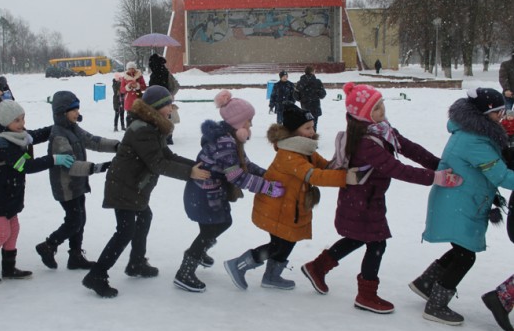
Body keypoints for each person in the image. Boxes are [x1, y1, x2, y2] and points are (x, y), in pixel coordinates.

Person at [301, 82, 461, 314]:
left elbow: (410, 148)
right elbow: (396, 168)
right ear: (363, 114)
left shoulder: (382, 130)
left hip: (368, 198)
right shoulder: (366, 142)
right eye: (375, 108)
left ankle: (318, 267)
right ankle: (366, 294)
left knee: (357, 238)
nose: (381, 111)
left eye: (381, 104)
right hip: (361, 200)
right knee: (376, 243)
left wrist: (439, 165)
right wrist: (436, 177)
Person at [82, 86, 210, 298]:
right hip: (124, 186)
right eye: (169, 104)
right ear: (158, 107)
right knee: (125, 231)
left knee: (144, 217)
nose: (172, 108)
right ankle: (97, 275)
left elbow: (167, 155)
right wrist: (190, 173)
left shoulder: (153, 127)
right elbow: (158, 163)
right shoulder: (142, 130)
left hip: (134, 186)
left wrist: (197, 164)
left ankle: (136, 263)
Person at [224, 103, 360, 292]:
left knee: (288, 241)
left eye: (312, 127)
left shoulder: (306, 150)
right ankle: (239, 264)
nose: (312, 131)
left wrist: (340, 164)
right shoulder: (289, 155)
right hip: (277, 207)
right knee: (278, 246)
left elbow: (323, 167)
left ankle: (271, 276)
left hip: (290, 207)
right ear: (294, 131)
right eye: (307, 128)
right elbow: (314, 175)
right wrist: (345, 178)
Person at [411, 88, 514, 326]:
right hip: (459, 203)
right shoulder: (473, 141)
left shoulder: (473, 133)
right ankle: (436, 305)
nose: (501, 117)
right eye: (498, 113)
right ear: (485, 113)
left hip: (460, 200)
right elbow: (499, 175)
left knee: (461, 250)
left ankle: (425, 284)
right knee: (465, 256)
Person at [174, 90, 285, 293]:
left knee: (210, 228)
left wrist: (268, 175)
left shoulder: (230, 138)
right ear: (237, 122)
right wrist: (267, 188)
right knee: (216, 226)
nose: (250, 125)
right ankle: (185, 270)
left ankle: (197, 252)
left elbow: (246, 165)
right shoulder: (225, 142)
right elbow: (237, 177)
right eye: (248, 121)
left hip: (206, 192)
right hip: (204, 194)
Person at [0, 97, 67, 286]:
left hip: (9, 193)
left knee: (14, 229)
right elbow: (25, 166)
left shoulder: (16, 136)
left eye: (23, 119)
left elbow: (34, 135)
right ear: (4, 121)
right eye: (17, 120)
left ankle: (9, 267)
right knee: (2, 233)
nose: (22, 124)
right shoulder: (2, 144)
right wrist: (53, 159)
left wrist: (56, 127)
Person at [35, 91, 120, 271]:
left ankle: (75, 256)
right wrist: (98, 167)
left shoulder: (73, 128)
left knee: (80, 219)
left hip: (78, 185)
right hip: (66, 186)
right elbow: (70, 166)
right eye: (73, 110)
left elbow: (94, 141)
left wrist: (117, 146)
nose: (77, 112)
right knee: (74, 221)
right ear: (62, 112)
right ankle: (48, 245)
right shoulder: (59, 135)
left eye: (77, 109)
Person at [148, 53, 180, 144]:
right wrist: (170, 94)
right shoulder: (165, 72)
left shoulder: (155, 74)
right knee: (167, 117)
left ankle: (162, 136)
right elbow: (175, 85)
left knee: (158, 118)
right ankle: (168, 136)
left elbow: (151, 87)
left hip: (156, 100)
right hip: (165, 100)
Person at [294, 66, 327, 131]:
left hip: (305, 107)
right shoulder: (317, 82)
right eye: (314, 71)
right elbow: (322, 95)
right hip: (315, 106)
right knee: (314, 124)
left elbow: (296, 96)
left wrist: (302, 98)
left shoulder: (300, 82)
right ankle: (313, 137)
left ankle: (307, 138)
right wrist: (318, 92)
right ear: (312, 72)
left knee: (306, 125)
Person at [120, 61, 147, 127]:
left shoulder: (139, 76)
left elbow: (144, 87)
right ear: (127, 69)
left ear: (135, 69)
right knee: (129, 117)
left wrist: (137, 86)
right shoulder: (125, 77)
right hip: (129, 99)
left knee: (139, 117)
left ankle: (138, 131)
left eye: (132, 68)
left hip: (138, 97)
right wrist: (128, 87)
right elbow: (122, 90)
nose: (131, 70)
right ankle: (129, 131)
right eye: (129, 69)